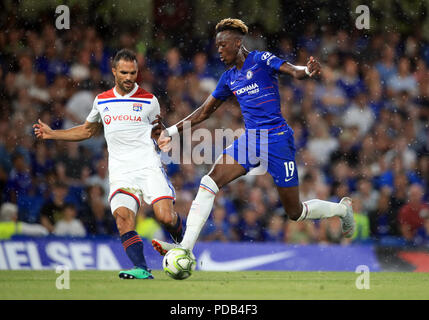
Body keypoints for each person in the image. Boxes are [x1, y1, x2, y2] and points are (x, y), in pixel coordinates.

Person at [152, 18, 355, 255]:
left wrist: (307, 70)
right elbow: (204, 112)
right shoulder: (229, 77)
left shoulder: (261, 59)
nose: (218, 50)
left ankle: (342, 210)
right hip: (251, 140)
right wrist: (170, 132)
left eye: (223, 45)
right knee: (209, 182)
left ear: (238, 43)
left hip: (278, 139)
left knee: (295, 212)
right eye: (217, 46)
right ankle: (184, 247)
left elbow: (292, 70)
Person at [33, 49, 183, 280]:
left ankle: (181, 243)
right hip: (121, 172)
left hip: (148, 167)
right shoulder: (102, 100)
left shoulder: (149, 101)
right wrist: (53, 134)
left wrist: (162, 139)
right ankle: (142, 269)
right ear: (114, 71)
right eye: (124, 72)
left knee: (165, 217)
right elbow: (87, 130)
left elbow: (157, 130)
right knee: (123, 217)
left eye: (133, 73)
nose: (129, 77)